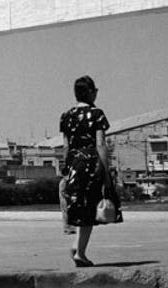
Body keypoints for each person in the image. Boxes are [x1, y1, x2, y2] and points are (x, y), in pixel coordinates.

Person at [59, 75, 120, 267]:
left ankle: (77, 246)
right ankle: (80, 253)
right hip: (91, 163)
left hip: (74, 165)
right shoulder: (97, 114)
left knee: (79, 207)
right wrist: (106, 171)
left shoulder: (66, 116)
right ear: (91, 93)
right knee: (89, 210)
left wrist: (66, 168)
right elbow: (101, 145)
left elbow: (66, 146)